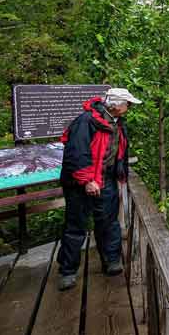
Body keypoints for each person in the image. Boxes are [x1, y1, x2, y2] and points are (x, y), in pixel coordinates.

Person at [56, 87, 142, 291]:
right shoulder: (86, 122)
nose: (128, 107)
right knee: (76, 226)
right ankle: (67, 272)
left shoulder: (117, 123)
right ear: (115, 104)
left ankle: (111, 261)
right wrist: (87, 181)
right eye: (126, 103)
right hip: (80, 183)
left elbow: (119, 150)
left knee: (108, 222)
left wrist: (120, 171)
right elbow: (76, 154)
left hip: (106, 179)